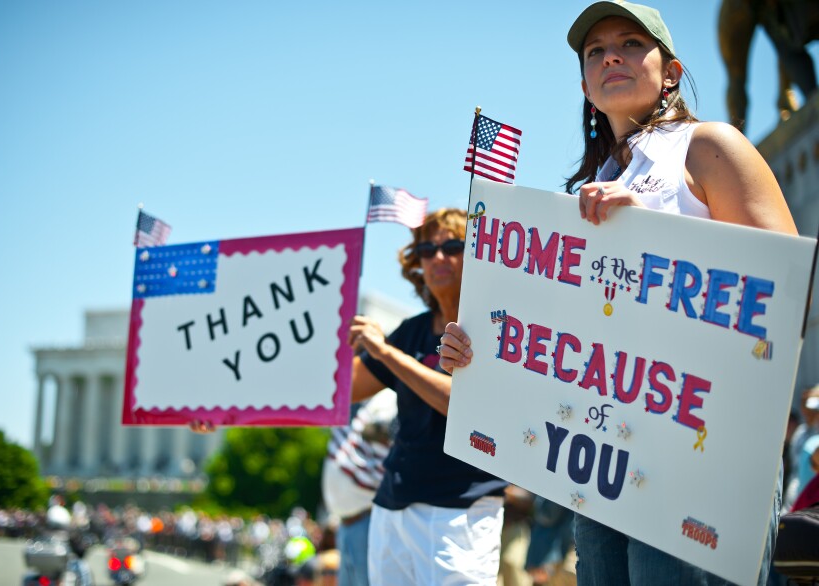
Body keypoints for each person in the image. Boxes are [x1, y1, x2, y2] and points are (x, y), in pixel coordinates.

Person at [438, 2, 798, 585]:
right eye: (594, 50)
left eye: (631, 43)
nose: (611, 55)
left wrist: (655, 233)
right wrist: (481, 345)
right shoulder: (589, 190)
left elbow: (789, 294)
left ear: (672, 71)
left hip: (700, 461)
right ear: (585, 82)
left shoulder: (710, 147)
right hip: (601, 471)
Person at [348, 207, 508, 586]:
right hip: (392, 505)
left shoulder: (500, 325)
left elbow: (459, 404)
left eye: (452, 245)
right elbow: (341, 391)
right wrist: (220, 408)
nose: (438, 257)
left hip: (461, 510)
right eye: (426, 251)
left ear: (476, 253)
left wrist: (385, 351)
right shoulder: (412, 331)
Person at [320, 388, 396, 586]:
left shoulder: (387, 396)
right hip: (346, 523)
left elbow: (395, 432)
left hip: (368, 518)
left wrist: (379, 430)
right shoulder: (351, 398)